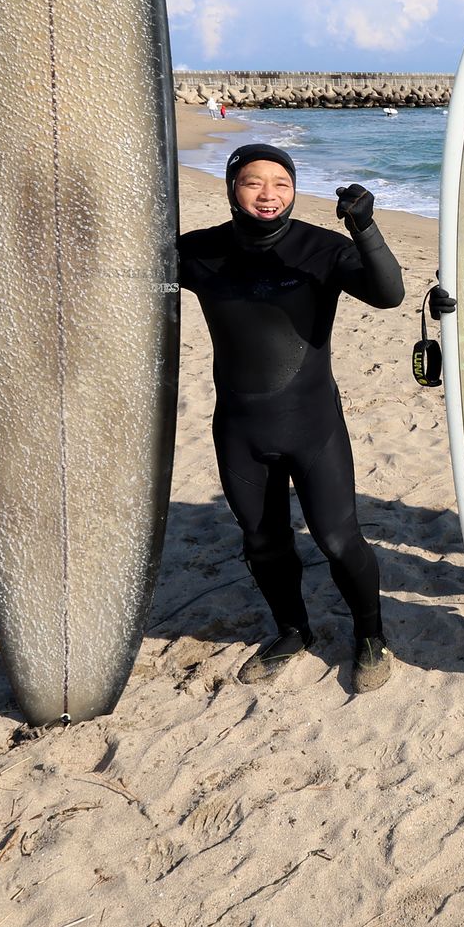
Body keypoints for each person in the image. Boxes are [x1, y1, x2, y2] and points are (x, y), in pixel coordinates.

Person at [177, 143, 406, 692]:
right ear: (232, 188)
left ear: (295, 190)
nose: (268, 194)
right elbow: (109, 275)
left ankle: (371, 636)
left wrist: (366, 230)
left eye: (280, 183)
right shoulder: (198, 252)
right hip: (240, 426)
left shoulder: (320, 248)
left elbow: (390, 294)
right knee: (262, 540)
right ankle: (292, 630)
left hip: (312, 424)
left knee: (336, 537)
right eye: (253, 182)